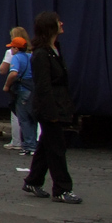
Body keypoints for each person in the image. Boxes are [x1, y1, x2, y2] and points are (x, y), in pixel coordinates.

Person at [23, 11, 81, 203]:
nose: (62, 23)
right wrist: (51, 112)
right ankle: (62, 189)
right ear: (50, 27)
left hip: (59, 103)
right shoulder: (40, 55)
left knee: (46, 144)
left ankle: (33, 180)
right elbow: (43, 86)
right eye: (58, 22)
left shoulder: (54, 50)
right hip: (49, 107)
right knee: (56, 148)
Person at [3, 36, 37, 155]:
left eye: (12, 47)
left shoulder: (16, 58)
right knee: (32, 118)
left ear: (16, 48)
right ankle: (33, 144)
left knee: (24, 119)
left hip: (22, 90)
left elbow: (13, 73)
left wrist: (7, 86)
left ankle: (29, 146)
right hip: (32, 89)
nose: (10, 49)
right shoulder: (30, 56)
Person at [0, 26, 31, 150]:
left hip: (18, 85)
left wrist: (6, 85)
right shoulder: (31, 51)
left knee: (17, 114)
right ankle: (33, 141)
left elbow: (3, 70)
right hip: (31, 85)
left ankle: (17, 141)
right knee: (32, 115)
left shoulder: (12, 53)